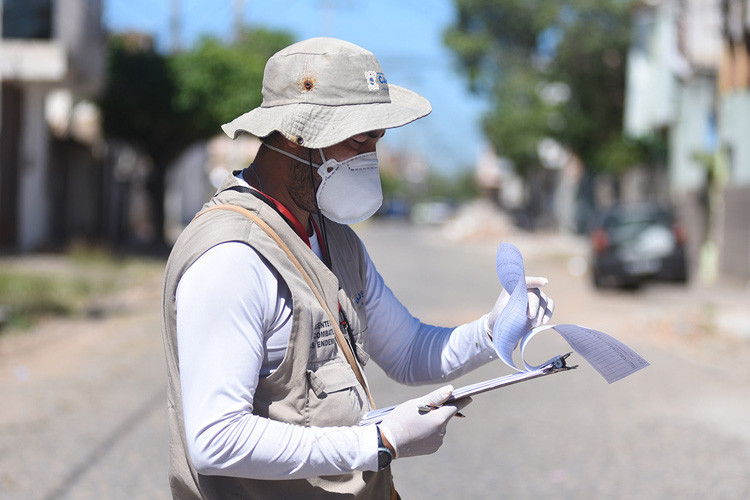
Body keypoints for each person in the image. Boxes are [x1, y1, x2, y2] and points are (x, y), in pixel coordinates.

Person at [161, 37, 553, 500]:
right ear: (295, 136)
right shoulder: (232, 258)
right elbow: (216, 440)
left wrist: (493, 330)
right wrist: (379, 443)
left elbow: (407, 351)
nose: (371, 158)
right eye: (358, 141)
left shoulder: (333, 238)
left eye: (377, 140)